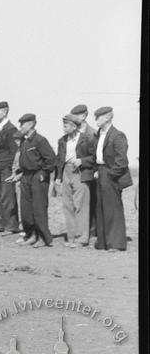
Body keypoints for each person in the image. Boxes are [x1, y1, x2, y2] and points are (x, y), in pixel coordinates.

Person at [92, 106, 132, 252]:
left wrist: (110, 175)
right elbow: (96, 156)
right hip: (101, 173)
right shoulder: (99, 135)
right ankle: (103, 243)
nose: (95, 119)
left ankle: (115, 243)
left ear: (108, 117)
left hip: (111, 175)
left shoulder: (118, 135)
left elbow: (122, 161)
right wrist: (97, 171)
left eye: (99, 117)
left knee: (113, 209)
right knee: (101, 208)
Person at [54, 114, 96, 248]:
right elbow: (59, 160)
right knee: (67, 205)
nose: (63, 128)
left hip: (80, 173)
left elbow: (95, 157)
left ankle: (82, 238)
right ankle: (72, 237)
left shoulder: (87, 139)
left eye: (65, 126)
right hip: (66, 172)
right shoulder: (62, 140)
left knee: (81, 206)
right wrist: (58, 177)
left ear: (73, 126)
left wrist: (82, 161)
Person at [16, 114, 56, 248]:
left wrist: (44, 173)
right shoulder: (24, 141)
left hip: (38, 176)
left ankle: (43, 238)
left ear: (31, 124)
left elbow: (51, 159)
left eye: (23, 124)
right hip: (26, 176)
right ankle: (31, 234)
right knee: (26, 209)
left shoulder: (40, 140)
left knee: (39, 208)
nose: (20, 127)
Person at [0, 101, 20, 236]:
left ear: (5, 111)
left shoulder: (11, 129)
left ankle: (12, 225)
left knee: (8, 197)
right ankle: (2, 224)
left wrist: (13, 170)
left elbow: (14, 151)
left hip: (7, 167)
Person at [70, 103, 97, 240]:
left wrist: (82, 161)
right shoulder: (72, 133)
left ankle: (91, 230)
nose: (73, 118)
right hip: (74, 174)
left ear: (84, 116)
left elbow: (96, 156)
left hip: (88, 172)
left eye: (76, 116)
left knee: (91, 202)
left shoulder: (92, 134)